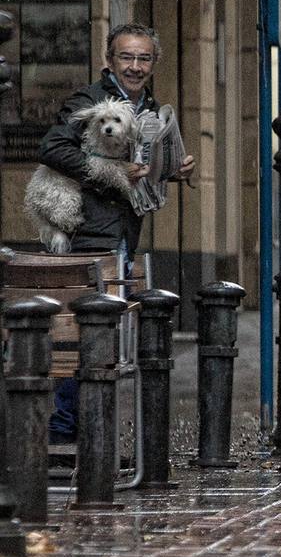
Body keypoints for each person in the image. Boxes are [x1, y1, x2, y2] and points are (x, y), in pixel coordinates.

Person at [37, 23, 195, 442]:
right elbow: (53, 148)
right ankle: (67, 430)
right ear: (109, 60)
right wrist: (109, 173)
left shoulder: (147, 106)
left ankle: (86, 429)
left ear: (154, 63)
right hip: (89, 233)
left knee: (103, 338)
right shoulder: (91, 101)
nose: (135, 66)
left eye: (144, 58)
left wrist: (173, 170)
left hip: (122, 232)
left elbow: (142, 169)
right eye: (126, 57)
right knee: (86, 333)